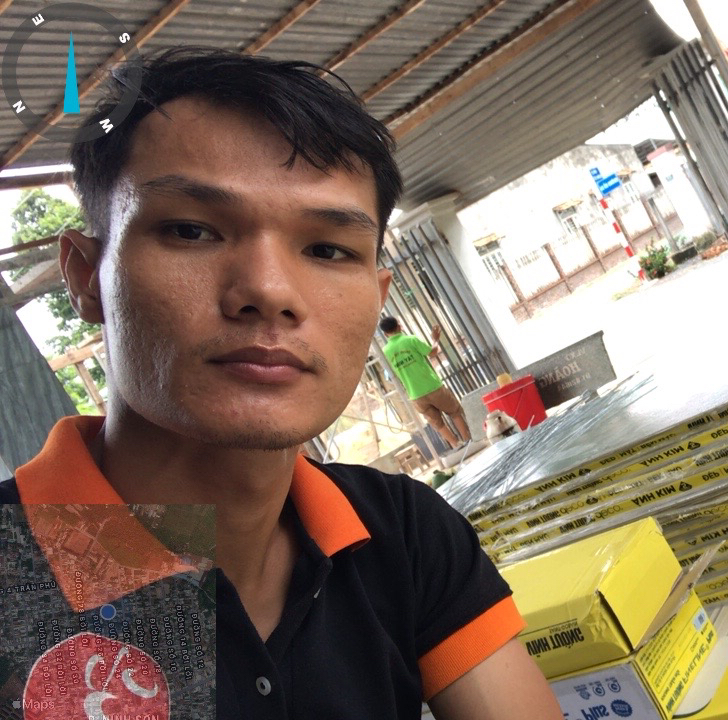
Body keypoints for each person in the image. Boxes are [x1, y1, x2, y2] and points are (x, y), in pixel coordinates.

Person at [0, 47, 561, 720]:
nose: (269, 290)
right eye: (192, 230)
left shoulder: (402, 533)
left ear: (377, 295)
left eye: (327, 249)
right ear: (86, 276)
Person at [380, 316, 474, 452]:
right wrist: (435, 340)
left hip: (415, 395)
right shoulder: (411, 340)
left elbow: (389, 374)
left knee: (437, 423)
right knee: (454, 412)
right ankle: (468, 441)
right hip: (433, 386)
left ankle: (456, 445)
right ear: (399, 327)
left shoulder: (385, 352)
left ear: (385, 334)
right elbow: (433, 352)